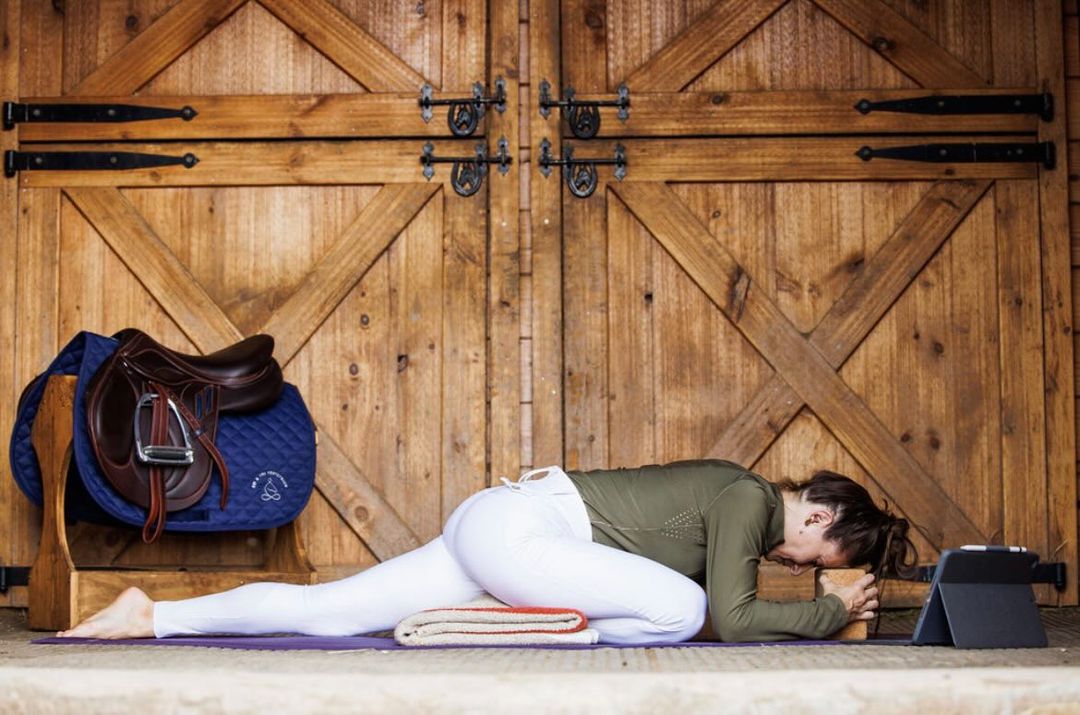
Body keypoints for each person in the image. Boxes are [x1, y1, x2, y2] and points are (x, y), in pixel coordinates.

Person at [57, 460, 916, 644]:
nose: (806, 565)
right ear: (817, 514)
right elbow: (729, 615)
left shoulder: (739, 505)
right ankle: (504, 618)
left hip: (501, 524)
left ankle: (153, 615)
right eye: (822, 552)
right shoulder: (749, 498)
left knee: (330, 612)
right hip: (523, 534)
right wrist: (828, 611)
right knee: (685, 609)